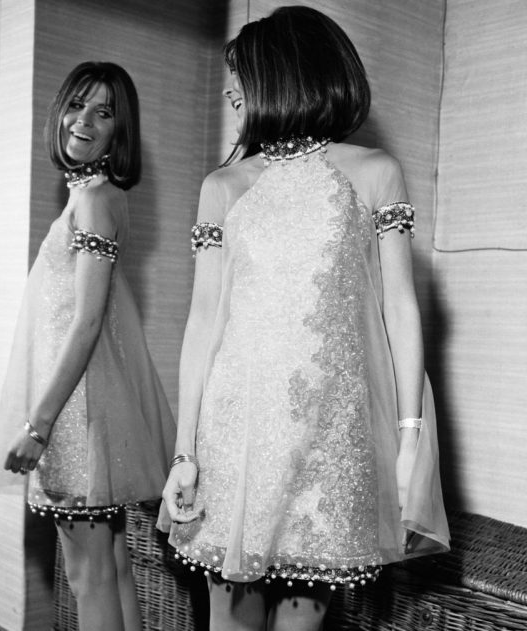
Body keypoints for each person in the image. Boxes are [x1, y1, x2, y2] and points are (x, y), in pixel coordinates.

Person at [161, 7, 450, 631]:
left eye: (241, 76)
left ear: (285, 72)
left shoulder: (375, 172)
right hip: (234, 433)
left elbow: (400, 309)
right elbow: (203, 321)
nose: (230, 92)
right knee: (230, 621)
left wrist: (409, 440)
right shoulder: (224, 186)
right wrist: (185, 452)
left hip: (329, 441)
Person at [0, 61, 176, 631]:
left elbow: (88, 322)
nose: (83, 120)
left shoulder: (93, 200)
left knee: (87, 577)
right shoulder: (97, 195)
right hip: (89, 408)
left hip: (72, 417)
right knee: (111, 569)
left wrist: (38, 425)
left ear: (121, 131)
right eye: (76, 105)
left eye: (104, 112)